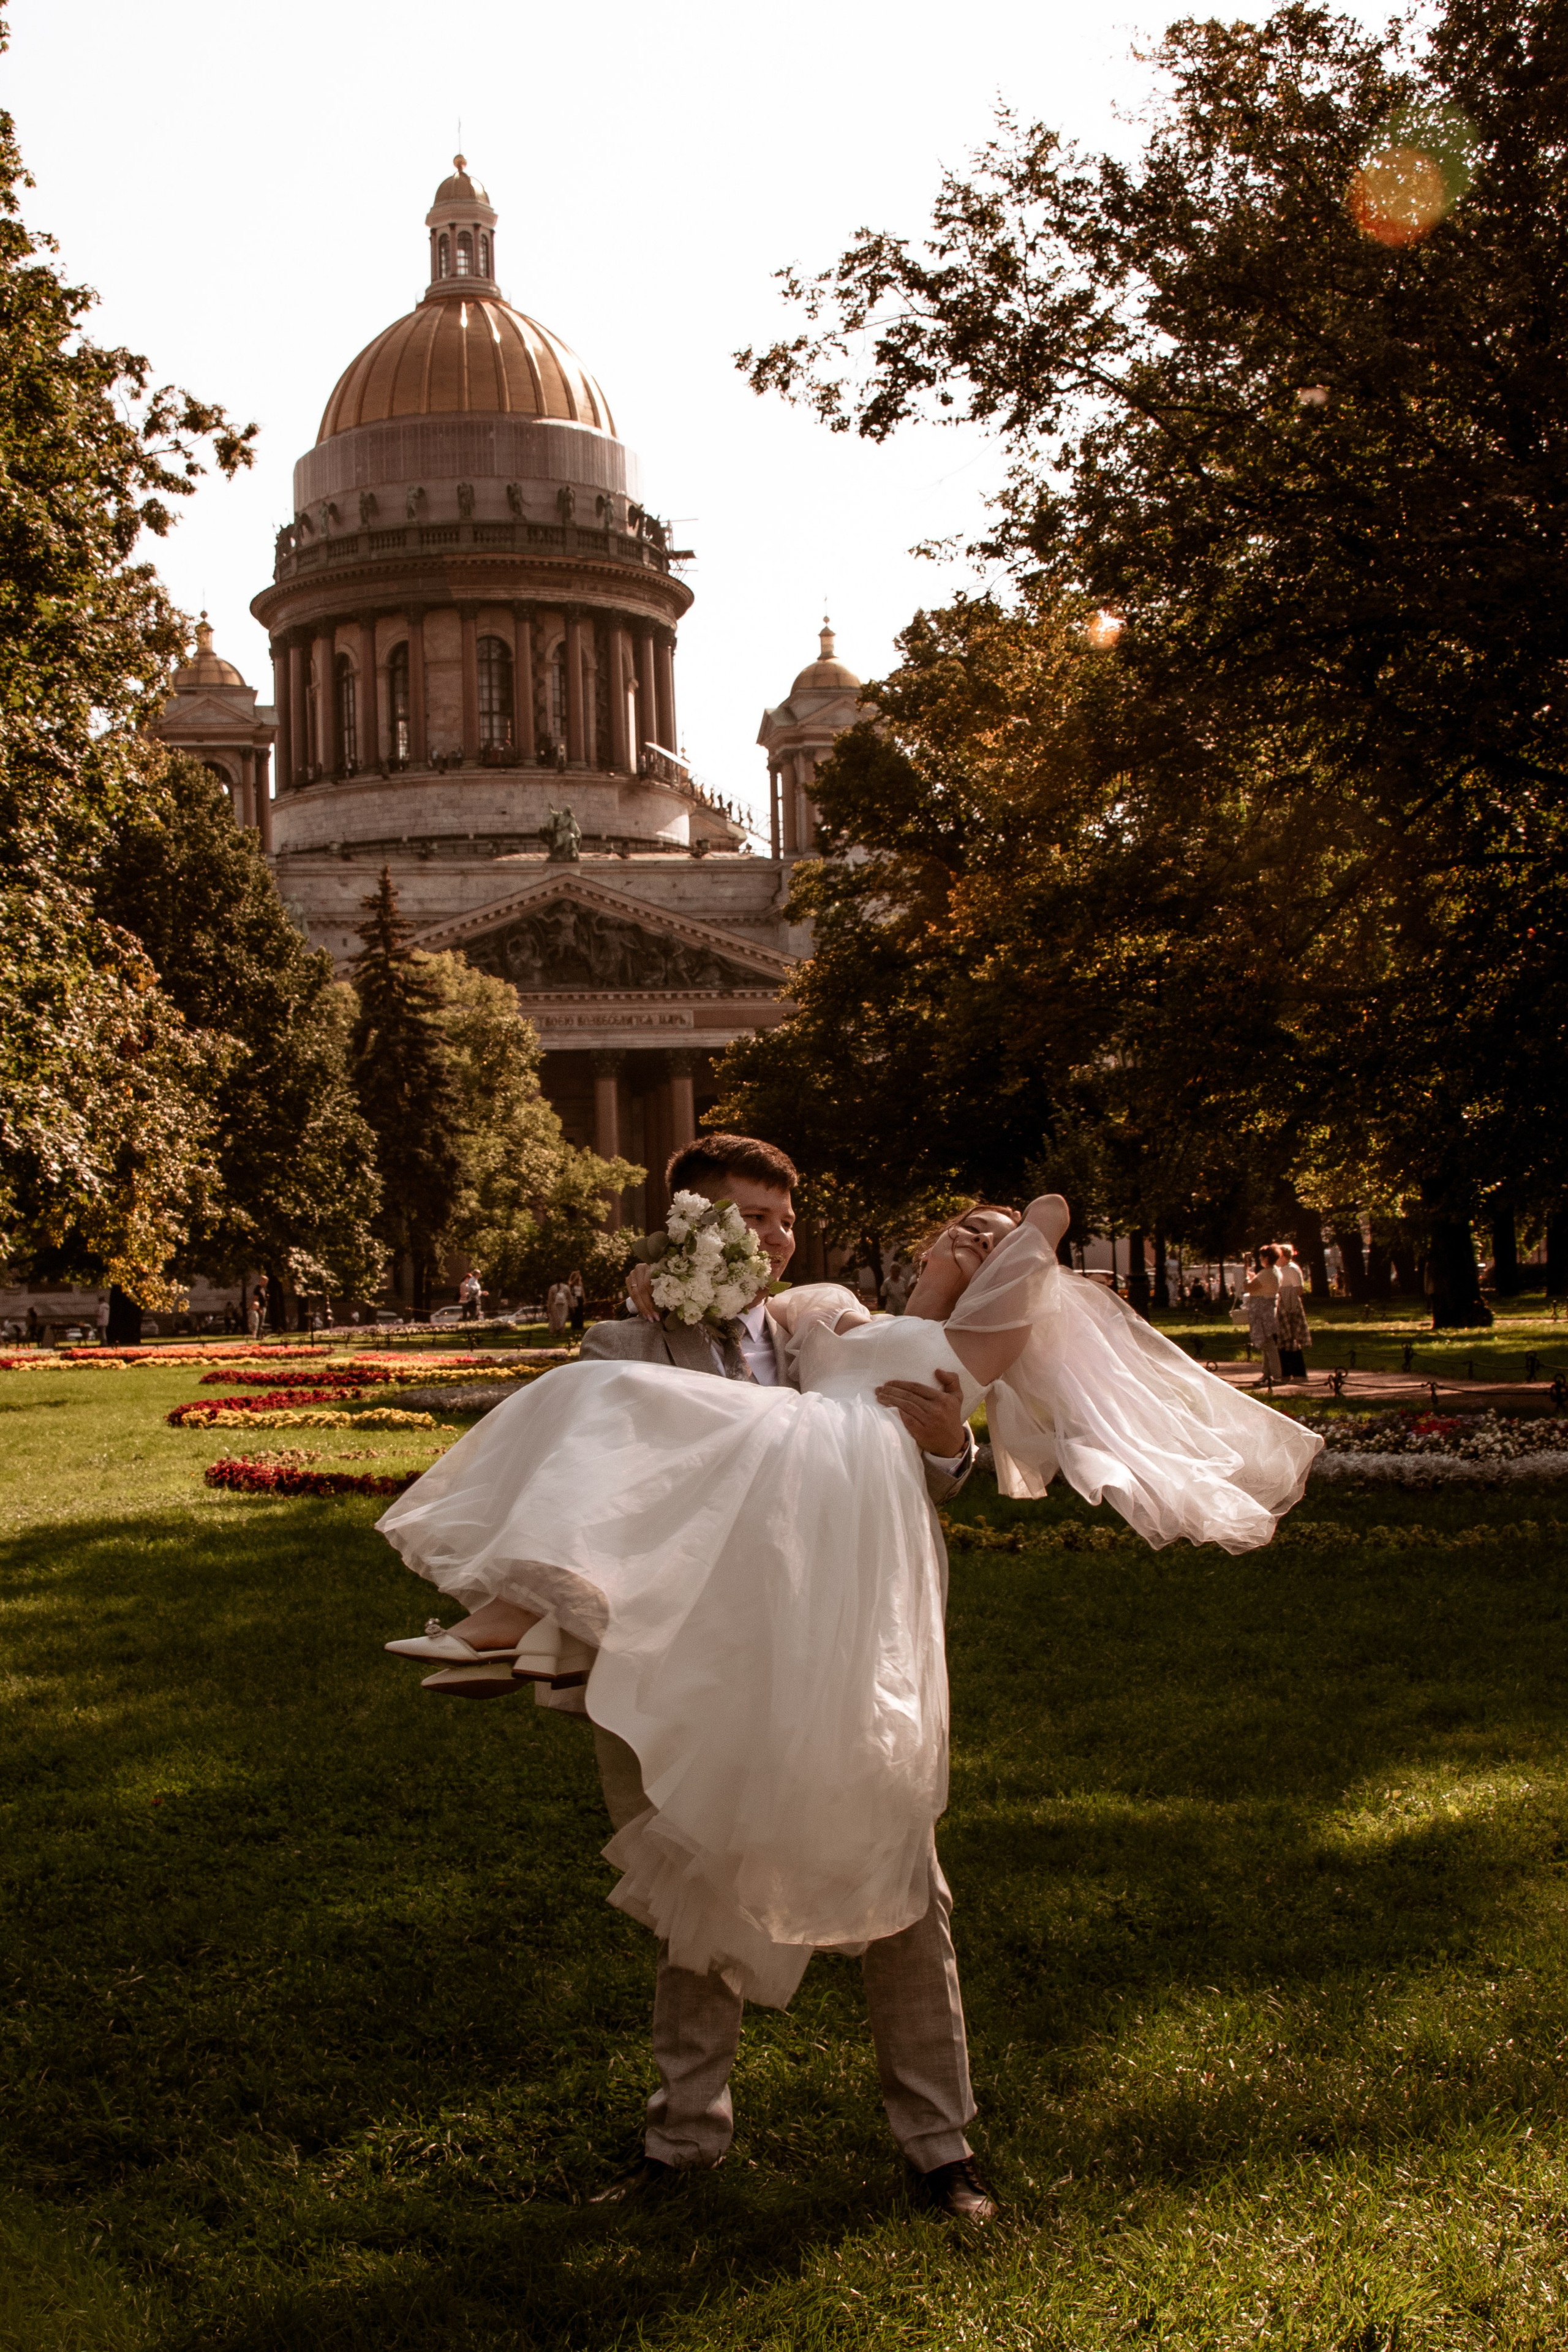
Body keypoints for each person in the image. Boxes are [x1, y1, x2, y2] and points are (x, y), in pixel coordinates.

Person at [378, 1136, 1319, 2218]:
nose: (775, 1241)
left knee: (903, 1888)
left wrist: (943, 1446)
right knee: (699, 1889)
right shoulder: (625, 1342)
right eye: (751, 1221)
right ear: (688, 1225)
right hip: (700, 1667)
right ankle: (682, 2143)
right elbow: (602, 1495)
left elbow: (913, 1438)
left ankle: (940, 2149)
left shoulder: (818, 1322)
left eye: (786, 1221)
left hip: (841, 1643)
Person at [1244, 1246, 1284, 1384]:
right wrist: (1253, 1278)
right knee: (1267, 1342)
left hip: (1261, 1310)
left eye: (1261, 1258)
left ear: (1266, 1259)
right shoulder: (1275, 1272)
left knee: (1268, 1344)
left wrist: (1245, 1279)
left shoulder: (1267, 1273)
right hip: (1268, 1308)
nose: (1260, 1260)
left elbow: (1250, 1288)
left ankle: (1277, 1375)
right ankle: (1267, 1374)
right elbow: (1261, 1285)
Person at [1273, 1243, 1311, 1381]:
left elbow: (1299, 1290)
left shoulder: (1292, 1269)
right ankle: (1286, 1372)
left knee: (1292, 1340)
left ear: (1283, 1256)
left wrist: (1285, 1294)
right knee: (1282, 1340)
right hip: (1281, 1307)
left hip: (1290, 1307)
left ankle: (1298, 1373)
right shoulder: (1279, 1269)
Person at [567, 1270, 586, 1338]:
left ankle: (580, 1326)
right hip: (574, 1299)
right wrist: (576, 1276)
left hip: (580, 1299)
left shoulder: (580, 1284)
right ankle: (574, 1327)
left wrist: (584, 1300)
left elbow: (582, 1292)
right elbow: (570, 1285)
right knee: (574, 1313)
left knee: (580, 1313)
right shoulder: (571, 1284)